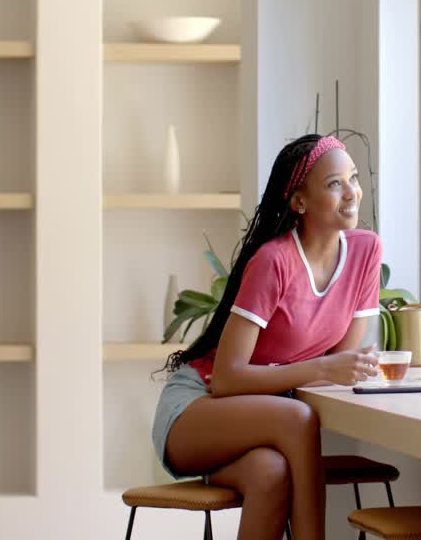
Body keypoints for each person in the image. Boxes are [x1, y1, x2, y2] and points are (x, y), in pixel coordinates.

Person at [151, 133, 383, 540]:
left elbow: (338, 367)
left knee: (272, 474)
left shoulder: (365, 253)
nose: (352, 193)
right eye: (334, 184)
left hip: (260, 420)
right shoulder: (274, 261)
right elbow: (226, 379)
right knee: (298, 417)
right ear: (299, 201)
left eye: (354, 178)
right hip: (197, 406)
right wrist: (322, 366)